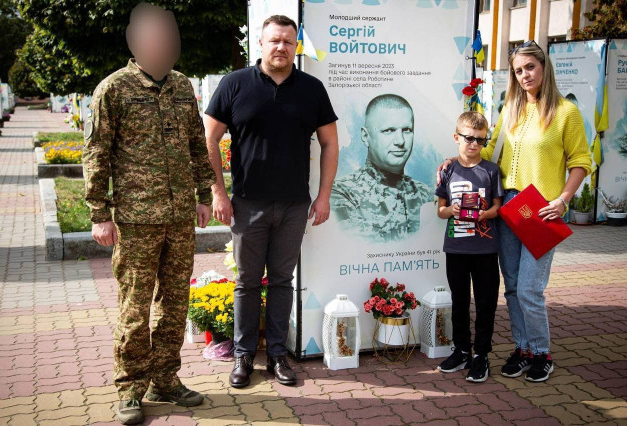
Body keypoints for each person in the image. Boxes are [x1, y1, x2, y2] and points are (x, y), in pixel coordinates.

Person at [82, 3, 215, 424]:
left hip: (179, 217)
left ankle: (165, 380)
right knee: (135, 309)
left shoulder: (181, 85)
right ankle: (130, 389)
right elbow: (96, 153)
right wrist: (99, 213)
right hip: (136, 220)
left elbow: (196, 144)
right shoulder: (114, 89)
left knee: (175, 304)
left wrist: (204, 194)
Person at [438, 40, 591, 382]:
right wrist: (455, 160)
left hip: (541, 209)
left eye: (530, 67)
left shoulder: (566, 112)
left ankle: (541, 353)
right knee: (511, 287)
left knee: (529, 290)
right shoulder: (511, 109)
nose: (525, 75)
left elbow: (581, 160)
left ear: (544, 66)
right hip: (507, 206)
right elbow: (490, 149)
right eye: (518, 70)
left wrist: (563, 200)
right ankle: (522, 350)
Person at [204, 15, 339, 388]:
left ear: (296, 46)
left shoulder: (312, 89)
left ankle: (278, 354)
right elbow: (208, 139)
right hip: (247, 204)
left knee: (282, 281)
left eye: (287, 41)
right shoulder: (234, 84)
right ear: (260, 44)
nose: (281, 47)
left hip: (294, 205)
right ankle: (244, 356)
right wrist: (218, 193)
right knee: (247, 282)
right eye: (274, 40)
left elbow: (330, 143)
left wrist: (324, 195)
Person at [435, 111, 504, 383]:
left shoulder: (491, 170)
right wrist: (451, 210)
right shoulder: (447, 170)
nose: (474, 144)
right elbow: (440, 210)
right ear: (457, 137)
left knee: (486, 303)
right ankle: (462, 350)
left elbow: (498, 206)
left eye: (480, 140)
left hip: (485, 250)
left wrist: (486, 214)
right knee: (459, 302)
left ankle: (481, 355)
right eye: (469, 138)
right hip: (456, 249)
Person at [331, 94, 433, 242]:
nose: (400, 141)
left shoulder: (426, 194)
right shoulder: (342, 193)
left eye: (406, 130)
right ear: (365, 137)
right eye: (388, 130)